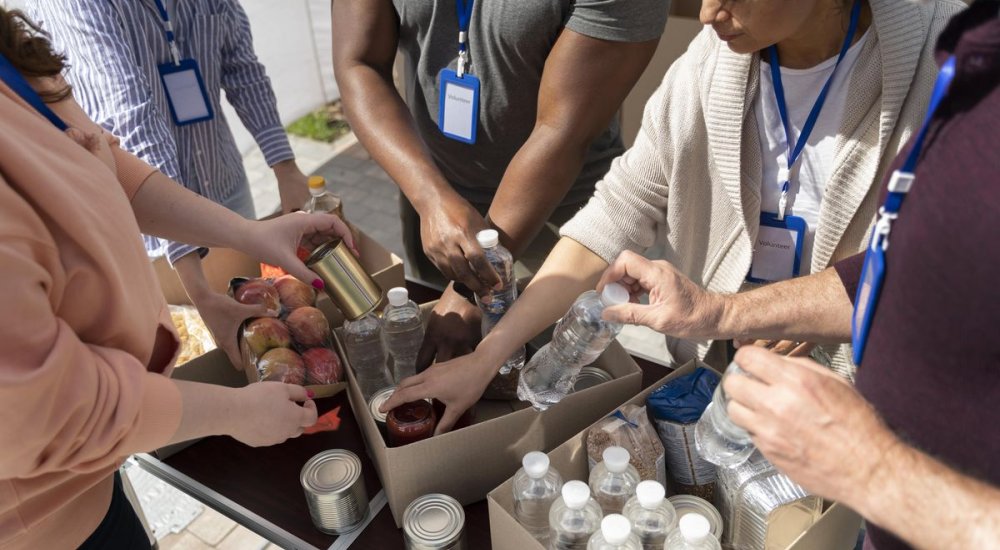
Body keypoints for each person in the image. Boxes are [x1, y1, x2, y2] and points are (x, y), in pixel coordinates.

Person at [381, 0, 967, 431]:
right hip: (720, 391)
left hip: (874, 414)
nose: (708, 13)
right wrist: (489, 356)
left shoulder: (950, 62)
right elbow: (617, 209)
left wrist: (747, 311)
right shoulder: (712, 62)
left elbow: (933, 268)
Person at [584, 4, 1000, 548]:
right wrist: (722, 313)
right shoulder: (969, 59)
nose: (707, 12)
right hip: (822, 451)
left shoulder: (936, 57)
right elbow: (890, 271)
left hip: (875, 475)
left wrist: (874, 469)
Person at [0, 9, 354, 549]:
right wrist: (232, 412)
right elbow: (47, 408)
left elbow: (105, 159)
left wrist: (251, 234)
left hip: (83, 485)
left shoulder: (8, 51)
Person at [332, 0, 668, 366]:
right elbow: (358, 62)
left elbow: (562, 132)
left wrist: (471, 289)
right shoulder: (431, 199)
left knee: (549, 374)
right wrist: (430, 197)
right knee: (444, 360)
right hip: (431, 193)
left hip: (556, 216)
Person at [27, 0, 315, 368]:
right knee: (178, 352)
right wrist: (197, 288)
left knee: (248, 338)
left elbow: (242, 67)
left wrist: (285, 168)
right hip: (143, 222)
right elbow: (132, 116)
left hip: (222, 180)